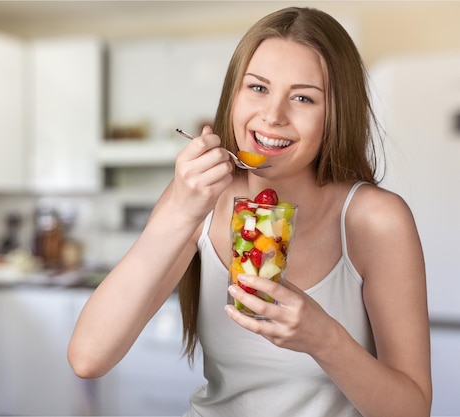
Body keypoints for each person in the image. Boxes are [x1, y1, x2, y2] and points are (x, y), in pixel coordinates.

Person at [68, 6, 431, 417]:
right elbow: (88, 357)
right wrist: (181, 212)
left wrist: (324, 339)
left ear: (335, 115)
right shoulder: (199, 197)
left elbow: (412, 410)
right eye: (257, 88)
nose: (272, 115)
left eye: (303, 97)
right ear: (233, 95)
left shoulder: (374, 220)